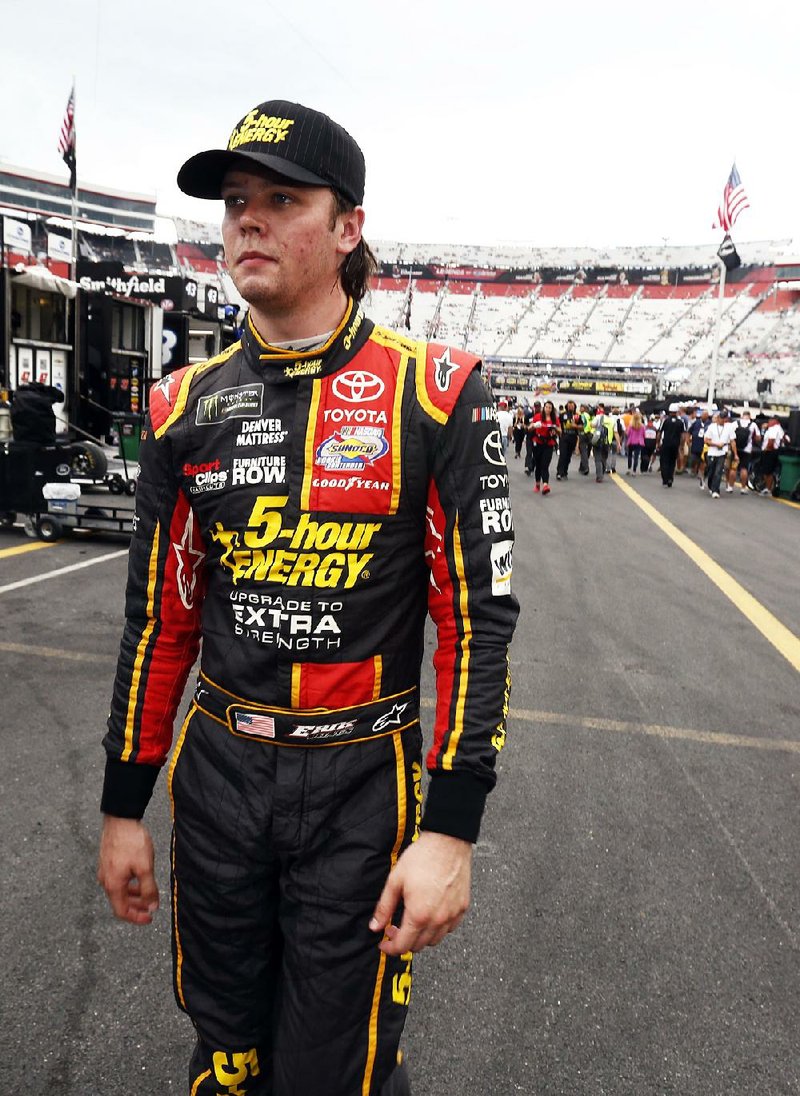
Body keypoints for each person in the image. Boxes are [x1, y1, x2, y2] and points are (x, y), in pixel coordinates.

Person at [96, 98, 519, 1096]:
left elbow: (474, 617)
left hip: (361, 782)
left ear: (346, 228)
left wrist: (450, 827)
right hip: (219, 776)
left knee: (334, 1072)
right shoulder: (180, 406)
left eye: (279, 198)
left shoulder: (438, 393)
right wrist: (125, 803)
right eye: (235, 200)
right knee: (226, 1049)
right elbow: (161, 617)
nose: (245, 218)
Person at [529, 399, 561, 494]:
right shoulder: (538, 416)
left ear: (552, 409)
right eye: (546, 407)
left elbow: (560, 431)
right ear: (544, 408)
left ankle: (545, 485)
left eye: (550, 408)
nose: (548, 409)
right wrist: (534, 425)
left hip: (549, 443)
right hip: (538, 443)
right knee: (538, 464)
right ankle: (537, 484)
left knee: (545, 465)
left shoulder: (554, 418)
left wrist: (555, 428)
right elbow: (529, 428)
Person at [703, 410, 735, 498]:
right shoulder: (712, 427)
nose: (722, 420)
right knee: (711, 470)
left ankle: (715, 490)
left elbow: (732, 441)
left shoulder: (729, 428)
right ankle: (711, 485)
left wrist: (735, 454)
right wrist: (716, 444)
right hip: (712, 452)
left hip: (722, 453)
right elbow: (706, 440)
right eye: (721, 418)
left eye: (724, 418)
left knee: (718, 471)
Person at [728, 410, 761, 494]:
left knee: (734, 468)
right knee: (744, 468)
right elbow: (758, 438)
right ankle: (743, 488)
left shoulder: (735, 423)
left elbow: (729, 435)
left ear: (742, 415)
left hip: (735, 449)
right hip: (747, 450)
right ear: (749, 416)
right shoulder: (753, 425)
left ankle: (730, 487)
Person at [759, 413, 787, 496]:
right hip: (775, 451)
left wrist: (767, 449)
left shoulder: (773, 429)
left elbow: (771, 440)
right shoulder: (779, 428)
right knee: (769, 471)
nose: (769, 421)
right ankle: (768, 488)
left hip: (770, 452)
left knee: (768, 472)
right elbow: (784, 440)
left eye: (771, 420)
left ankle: (768, 489)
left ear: (775, 421)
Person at [656, 404, 683, 487]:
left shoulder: (665, 421)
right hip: (675, 444)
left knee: (664, 461)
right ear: (677, 412)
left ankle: (665, 479)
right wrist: (681, 445)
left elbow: (660, 432)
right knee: (672, 462)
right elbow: (682, 435)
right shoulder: (680, 422)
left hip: (666, 444)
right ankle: (670, 478)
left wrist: (657, 442)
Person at [556, 399, 581, 479]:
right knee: (562, 455)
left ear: (574, 406)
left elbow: (583, 427)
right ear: (566, 406)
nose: (570, 406)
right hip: (564, 437)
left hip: (573, 437)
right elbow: (557, 424)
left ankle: (565, 471)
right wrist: (558, 430)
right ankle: (559, 472)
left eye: (572, 405)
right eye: (569, 405)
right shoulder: (563, 415)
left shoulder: (578, 415)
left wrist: (575, 426)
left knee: (568, 456)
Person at [590, 403, 612, 482]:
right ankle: (602, 472)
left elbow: (592, 425)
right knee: (604, 458)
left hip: (598, 440)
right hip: (608, 441)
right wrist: (619, 443)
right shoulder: (612, 420)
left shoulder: (598, 417)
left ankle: (599, 476)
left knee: (598, 459)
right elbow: (616, 432)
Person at [624, 409, 646, 474]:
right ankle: (634, 471)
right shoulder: (642, 426)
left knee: (630, 455)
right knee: (636, 457)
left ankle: (629, 468)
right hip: (639, 442)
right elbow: (644, 435)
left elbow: (627, 433)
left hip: (631, 441)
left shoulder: (631, 426)